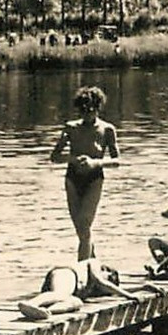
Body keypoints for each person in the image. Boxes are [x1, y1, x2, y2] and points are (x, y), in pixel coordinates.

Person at [50, 85, 120, 261]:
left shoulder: (107, 130)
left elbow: (116, 161)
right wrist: (72, 159)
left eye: (90, 110)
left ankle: (82, 273)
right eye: (82, 111)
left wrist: (95, 162)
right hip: (73, 179)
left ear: (97, 108)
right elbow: (54, 157)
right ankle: (93, 263)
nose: (86, 114)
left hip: (94, 179)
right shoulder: (70, 128)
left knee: (84, 224)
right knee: (82, 231)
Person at [18, 258, 137, 321]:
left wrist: (143, 287)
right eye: (110, 279)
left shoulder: (91, 289)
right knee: (60, 293)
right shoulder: (94, 263)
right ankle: (30, 304)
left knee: (76, 302)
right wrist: (128, 295)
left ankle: (45, 311)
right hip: (67, 273)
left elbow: (109, 289)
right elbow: (102, 282)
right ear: (106, 271)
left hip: (70, 287)